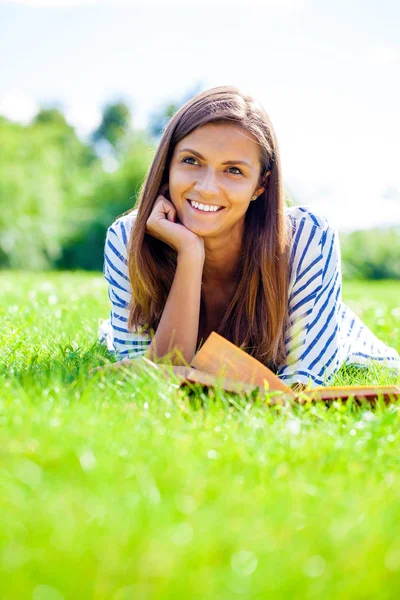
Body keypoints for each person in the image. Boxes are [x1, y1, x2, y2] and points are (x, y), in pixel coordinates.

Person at [98, 85, 400, 389]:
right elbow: (152, 379)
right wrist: (190, 253)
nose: (207, 188)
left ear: (260, 185)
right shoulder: (128, 239)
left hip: (347, 350)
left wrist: (182, 376)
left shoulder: (306, 237)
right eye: (191, 161)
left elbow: (300, 386)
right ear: (167, 167)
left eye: (233, 170)